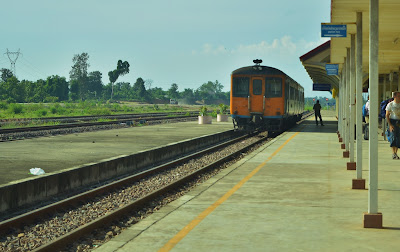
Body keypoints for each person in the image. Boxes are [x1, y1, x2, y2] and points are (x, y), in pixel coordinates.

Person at [385, 91, 400, 159]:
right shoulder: (390, 104)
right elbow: (387, 115)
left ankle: (396, 153)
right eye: (398, 96)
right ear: (394, 97)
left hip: (399, 121)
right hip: (392, 121)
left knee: (398, 137)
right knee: (393, 137)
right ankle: (393, 152)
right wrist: (390, 125)